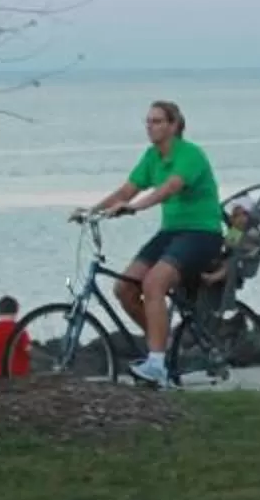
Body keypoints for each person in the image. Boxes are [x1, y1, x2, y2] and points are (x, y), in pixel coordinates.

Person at [80, 98, 223, 387]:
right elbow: (127, 190)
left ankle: (156, 363)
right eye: (148, 121)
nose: (150, 126)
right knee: (124, 288)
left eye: (157, 121)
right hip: (171, 232)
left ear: (174, 126)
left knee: (154, 284)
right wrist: (91, 212)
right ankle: (163, 344)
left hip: (202, 234)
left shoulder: (190, 155)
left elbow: (169, 188)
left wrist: (136, 208)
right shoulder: (151, 157)